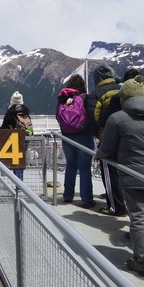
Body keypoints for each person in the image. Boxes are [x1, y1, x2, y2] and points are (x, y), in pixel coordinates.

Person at [95, 75, 144, 277]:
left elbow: (106, 149)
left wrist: (100, 155)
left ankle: (141, 263)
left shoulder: (117, 119)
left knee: (138, 219)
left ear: (123, 98)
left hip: (132, 175)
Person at [86, 64, 126, 216]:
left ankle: (116, 207)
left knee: (109, 173)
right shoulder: (122, 88)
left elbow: (93, 118)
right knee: (125, 173)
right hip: (127, 138)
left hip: (108, 138)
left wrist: (100, 135)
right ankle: (126, 205)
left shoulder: (96, 94)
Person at [57, 74, 95, 208]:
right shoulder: (85, 98)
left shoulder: (65, 98)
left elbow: (59, 115)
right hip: (83, 135)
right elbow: (91, 115)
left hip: (67, 136)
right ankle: (86, 199)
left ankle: (68, 195)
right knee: (84, 168)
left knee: (71, 166)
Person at [0, 99, 32, 180]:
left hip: (13, 134)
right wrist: (31, 133)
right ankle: (20, 180)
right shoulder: (25, 111)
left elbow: (6, 123)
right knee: (21, 157)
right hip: (25, 134)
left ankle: (18, 180)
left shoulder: (11, 112)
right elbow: (29, 124)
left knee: (15, 159)